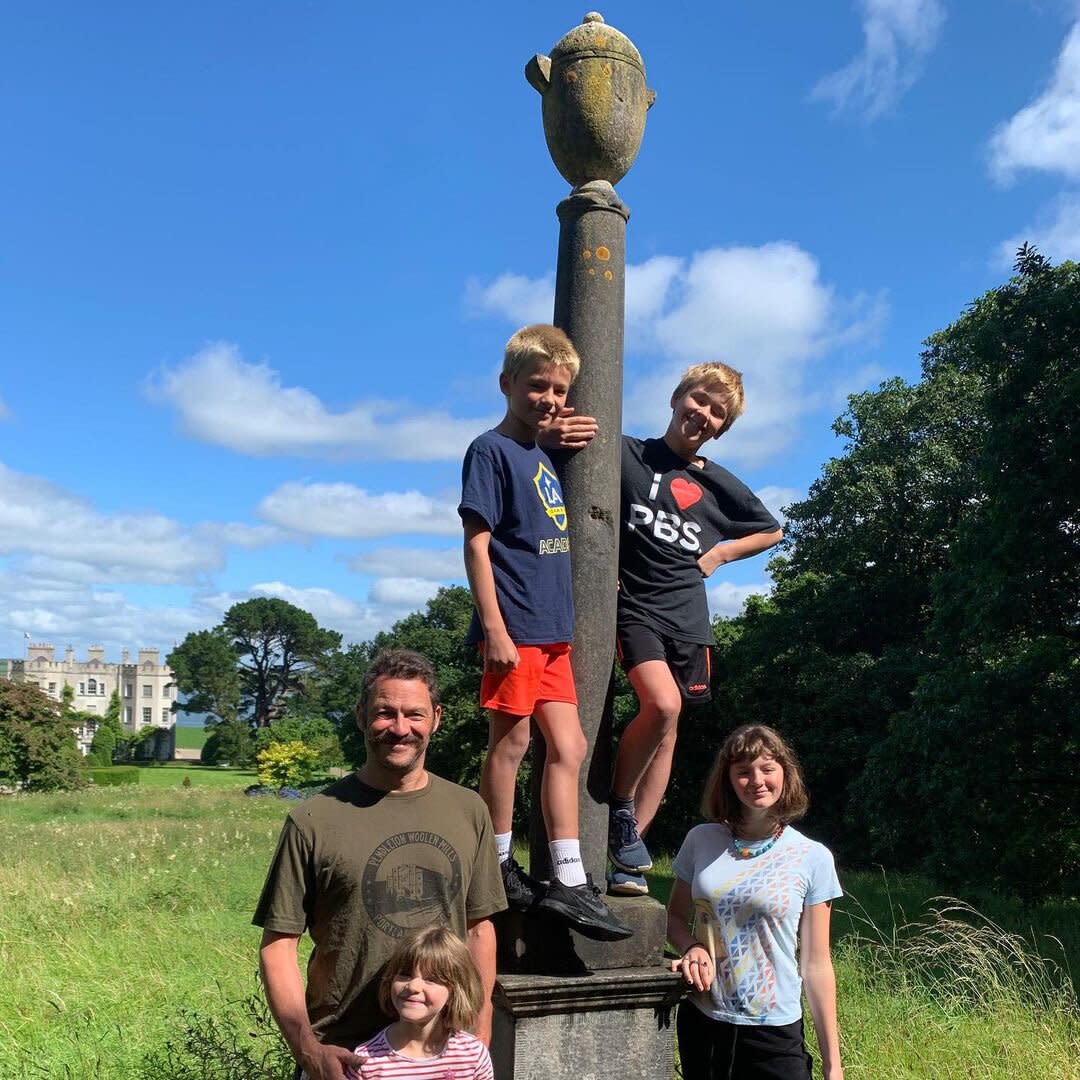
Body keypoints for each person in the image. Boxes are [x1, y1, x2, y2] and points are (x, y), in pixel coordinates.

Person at [253, 649, 507, 1080]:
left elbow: (480, 930)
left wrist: (478, 1039)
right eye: (384, 713)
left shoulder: (468, 811)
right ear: (360, 715)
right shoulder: (313, 819)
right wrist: (309, 1053)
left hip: (441, 1059)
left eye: (415, 715)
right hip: (342, 1059)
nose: (400, 729)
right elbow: (279, 946)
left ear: (437, 718)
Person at [459, 323, 630, 941]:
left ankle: (569, 878)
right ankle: (497, 863)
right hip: (518, 629)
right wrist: (495, 629)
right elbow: (478, 547)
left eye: (560, 390)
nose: (550, 398)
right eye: (537, 386)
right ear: (506, 384)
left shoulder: (540, 454)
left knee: (571, 748)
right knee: (510, 746)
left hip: (554, 632)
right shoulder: (490, 451)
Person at [606, 362, 783, 894]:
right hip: (635, 606)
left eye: (717, 413)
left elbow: (772, 529)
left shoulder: (715, 482)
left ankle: (626, 859)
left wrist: (723, 552)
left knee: (670, 732)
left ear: (721, 428)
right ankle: (619, 810)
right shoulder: (627, 454)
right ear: (677, 396)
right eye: (699, 400)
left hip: (689, 618)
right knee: (662, 705)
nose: (703, 414)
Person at [667, 724, 843, 1080]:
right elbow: (673, 917)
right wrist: (691, 946)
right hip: (704, 1020)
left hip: (774, 1028)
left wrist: (833, 1065)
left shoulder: (812, 857)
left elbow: (816, 964)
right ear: (728, 780)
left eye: (767, 769)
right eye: (743, 772)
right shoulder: (701, 840)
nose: (756, 781)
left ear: (785, 774)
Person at [352, 925, 494, 1079]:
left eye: (431, 979)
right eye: (405, 975)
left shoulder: (472, 1055)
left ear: (455, 990)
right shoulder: (366, 1061)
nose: (413, 986)